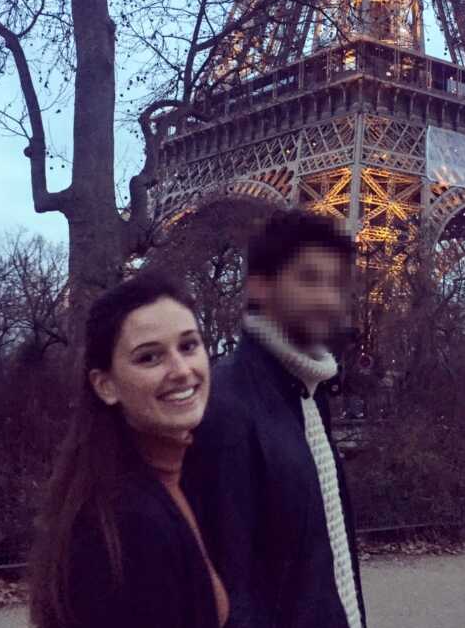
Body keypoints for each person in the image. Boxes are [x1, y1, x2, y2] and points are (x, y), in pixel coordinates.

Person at [183, 209, 366, 628]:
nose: (327, 298)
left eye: (336, 284)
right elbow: (231, 589)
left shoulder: (308, 393)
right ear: (259, 287)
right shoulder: (224, 406)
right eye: (308, 279)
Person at [29, 273, 229, 628]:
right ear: (106, 386)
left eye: (188, 346)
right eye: (150, 357)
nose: (182, 371)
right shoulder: (121, 523)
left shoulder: (175, 481)